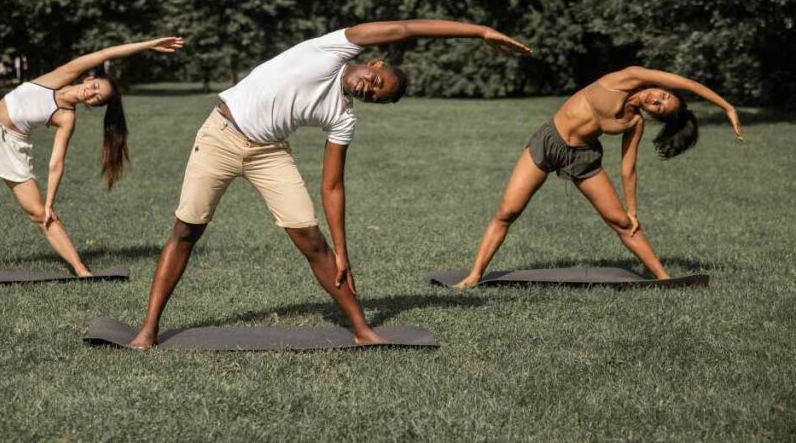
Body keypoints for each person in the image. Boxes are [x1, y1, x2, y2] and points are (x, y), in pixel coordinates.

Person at [128, 20, 531, 348]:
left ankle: (363, 330)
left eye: (374, 98)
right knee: (186, 231)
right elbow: (405, 29)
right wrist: (479, 32)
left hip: (269, 152)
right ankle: (148, 331)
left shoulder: (343, 116)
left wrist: (343, 251)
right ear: (373, 64)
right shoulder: (332, 49)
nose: (366, 91)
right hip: (220, 134)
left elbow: (333, 186)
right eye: (375, 84)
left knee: (314, 242)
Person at [0, 37, 185, 282]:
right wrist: (150, 44)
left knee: (40, 214)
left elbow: (57, 162)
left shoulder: (66, 117)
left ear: (93, 106)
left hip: (12, 148)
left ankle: (81, 269)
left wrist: (50, 201)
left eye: (97, 99)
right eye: (96, 87)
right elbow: (105, 54)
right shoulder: (59, 77)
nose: (92, 94)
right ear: (89, 78)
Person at [451, 66, 744, 290]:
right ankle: (475, 275)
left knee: (622, 223)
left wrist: (632, 209)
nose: (656, 99)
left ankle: (663, 278)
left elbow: (628, 168)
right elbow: (686, 83)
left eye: (659, 107)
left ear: (653, 115)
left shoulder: (634, 122)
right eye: (663, 95)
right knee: (507, 212)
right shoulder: (628, 76)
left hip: (582, 157)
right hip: (549, 141)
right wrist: (727, 106)